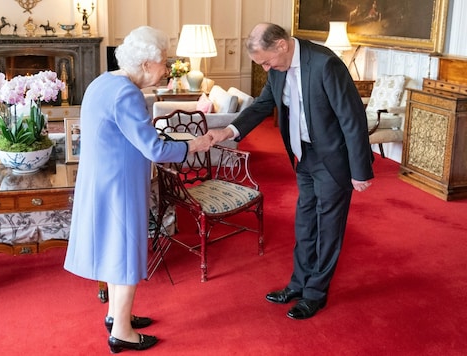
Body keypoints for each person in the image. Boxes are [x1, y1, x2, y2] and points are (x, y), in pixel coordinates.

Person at [207, 23, 374, 320]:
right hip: (302, 155)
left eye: (266, 61)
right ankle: (298, 284)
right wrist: (229, 130)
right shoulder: (277, 69)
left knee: (328, 228)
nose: (266, 67)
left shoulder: (325, 64)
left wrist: (360, 170)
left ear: (282, 45)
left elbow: (352, 118)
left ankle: (315, 294)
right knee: (305, 223)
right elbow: (262, 105)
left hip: (332, 159)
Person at [63, 26, 213, 352]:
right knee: (127, 252)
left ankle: (117, 316)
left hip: (102, 179)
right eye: (164, 62)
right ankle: (121, 333)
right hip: (121, 186)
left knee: (116, 250)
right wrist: (194, 145)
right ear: (146, 64)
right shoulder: (126, 94)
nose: (167, 69)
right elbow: (155, 150)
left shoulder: (104, 82)